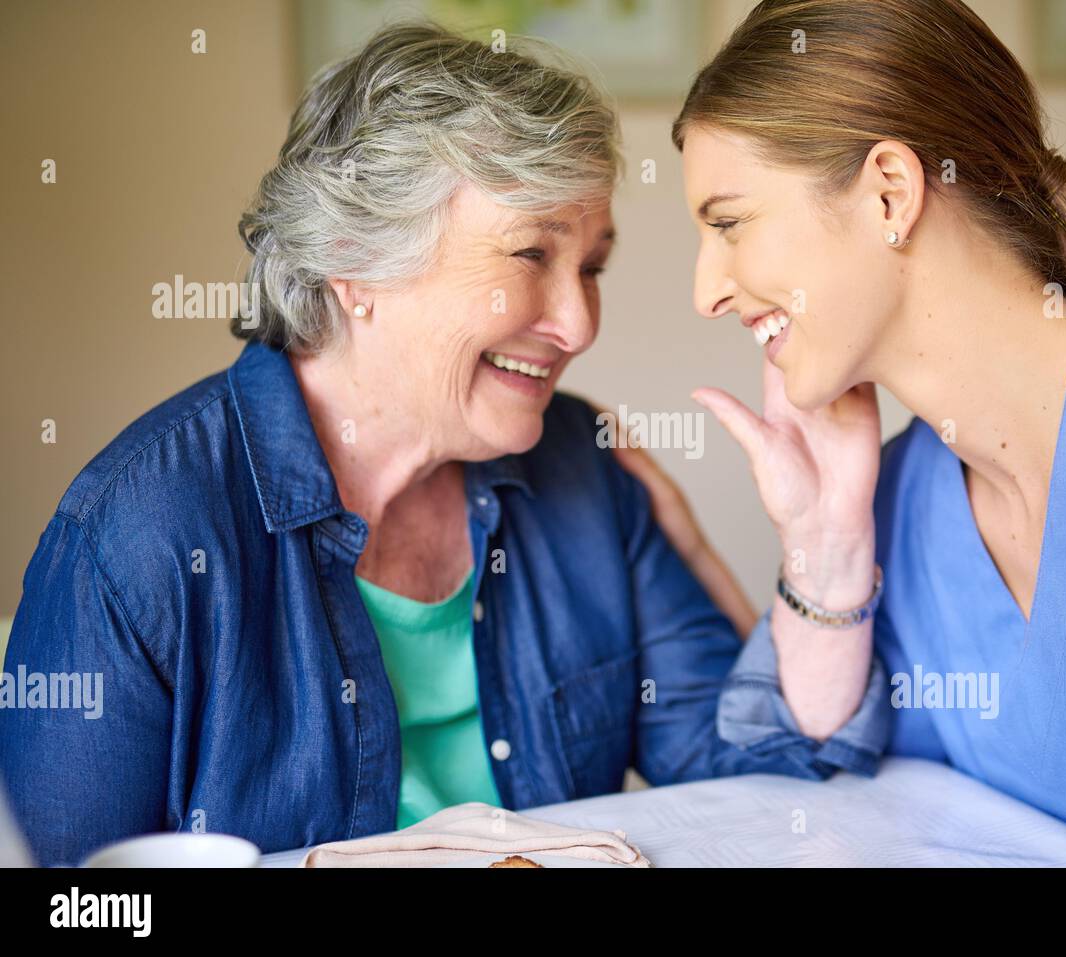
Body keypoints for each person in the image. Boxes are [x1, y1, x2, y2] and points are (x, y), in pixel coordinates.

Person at [0, 21, 890, 867]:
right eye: (529, 255)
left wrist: (827, 546)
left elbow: (759, 777)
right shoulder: (136, 533)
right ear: (354, 263)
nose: (579, 324)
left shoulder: (580, 462)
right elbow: (72, 900)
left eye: (591, 266)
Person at [681, 0, 1066, 866]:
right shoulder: (900, 498)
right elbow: (787, 772)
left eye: (728, 223)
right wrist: (828, 546)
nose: (707, 289)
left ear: (890, 192)